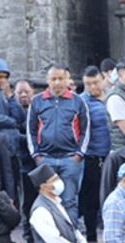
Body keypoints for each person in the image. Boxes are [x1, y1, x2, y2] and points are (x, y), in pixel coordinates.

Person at [27, 65, 90, 224]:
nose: (57, 82)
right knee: (46, 202)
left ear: (67, 80)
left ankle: (71, 239)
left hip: (70, 159)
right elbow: (30, 130)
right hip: (45, 159)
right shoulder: (37, 101)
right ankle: (50, 238)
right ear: (47, 81)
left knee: (69, 201)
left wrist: (79, 154)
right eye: (53, 79)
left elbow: (85, 130)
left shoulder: (78, 101)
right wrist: (36, 155)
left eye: (61, 78)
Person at [79, 66, 113, 243]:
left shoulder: (112, 97)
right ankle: (91, 237)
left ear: (102, 79)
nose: (92, 87)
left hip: (111, 155)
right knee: (91, 200)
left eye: (95, 82)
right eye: (88, 84)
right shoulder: (81, 102)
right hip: (91, 157)